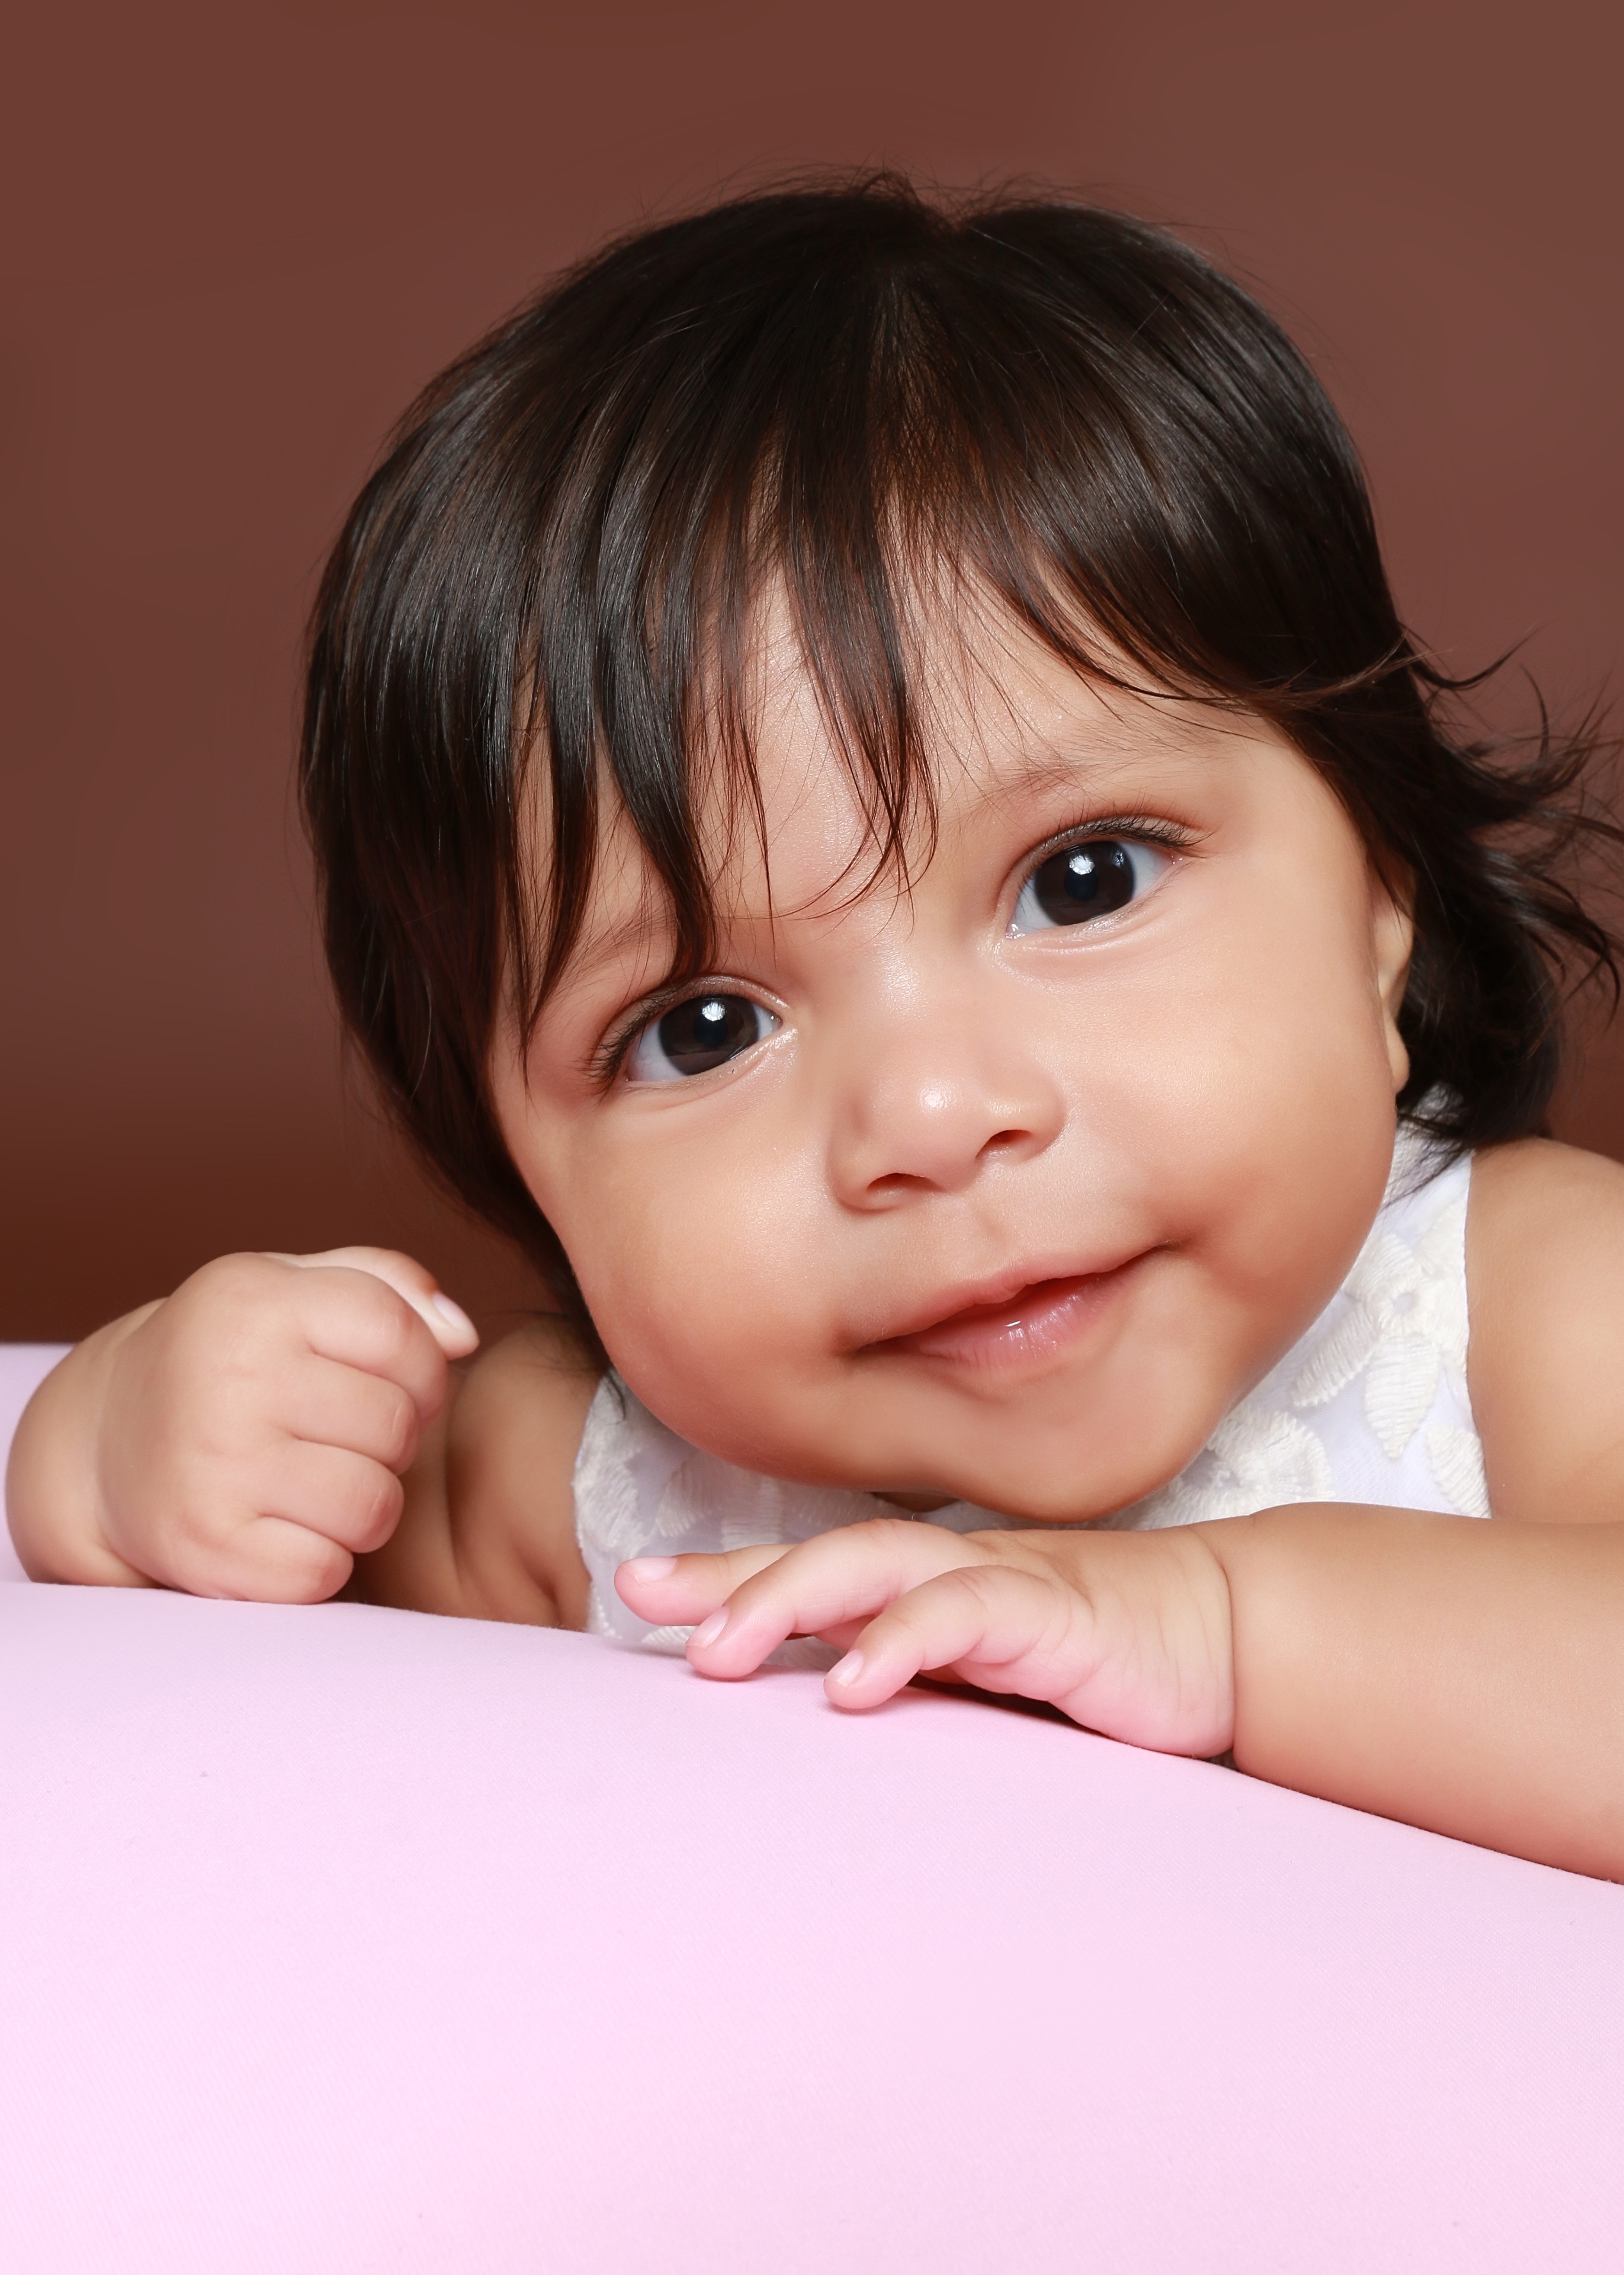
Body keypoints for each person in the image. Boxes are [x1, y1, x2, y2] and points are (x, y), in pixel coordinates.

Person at [11, 181, 1624, 1876]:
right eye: (705, 1027)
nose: (932, 1115)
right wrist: (126, 1443)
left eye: (1081, 881)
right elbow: (244, 1549)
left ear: (1381, 895)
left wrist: (1215, 1625)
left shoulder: (1524, 1300)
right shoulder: (599, 1477)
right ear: (518, 1157)